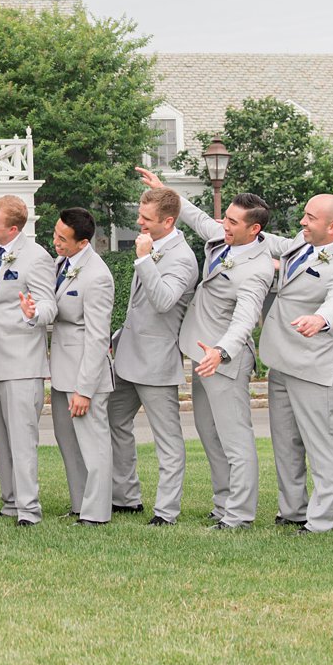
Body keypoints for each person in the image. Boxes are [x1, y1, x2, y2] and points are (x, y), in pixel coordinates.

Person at [141, 167, 273, 530]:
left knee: (235, 439)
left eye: (233, 222)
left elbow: (245, 319)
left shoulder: (257, 269)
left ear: (254, 230)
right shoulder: (223, 237)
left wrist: (222, 351)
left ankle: (239, 515)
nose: (224, 225)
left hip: (225, 360)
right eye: (226, 218)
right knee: (208, 432)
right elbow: (197, 216)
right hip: (202, 354)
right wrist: (163, 189)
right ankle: (222, 504)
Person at [253, 194, 333, 534]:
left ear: (332, 226)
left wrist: (321, 319)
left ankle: (321, 519)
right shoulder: (301, 241)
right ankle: (292, 510)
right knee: (285, 442)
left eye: (309, 217)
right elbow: (272, 241)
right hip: (281, 359)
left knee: (322, 446)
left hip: (315, 366)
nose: (302, 222)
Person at [109, 185, 199, 526]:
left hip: (158, 361)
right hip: (128, 355)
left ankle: (166, 511)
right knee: (114, 421)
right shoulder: (151, 245)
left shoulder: (183, 258)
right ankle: (126, 497)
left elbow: (163, 302)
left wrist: (145, 259)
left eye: (146, 218)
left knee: (168, 440)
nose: (139, 222)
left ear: (169, 221)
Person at [0, 194, 57, 526]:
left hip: (22, 363)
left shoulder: (37, 257)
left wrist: (33, 312)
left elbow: (49, 306)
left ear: (12, 228)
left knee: (23, 440)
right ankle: (10, 501)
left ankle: (29, 509)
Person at [46, 208, 115, 526]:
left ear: (83, 242)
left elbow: (99, 338)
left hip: (86, 377)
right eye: (56, 233)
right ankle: (79, 503)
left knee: (93, 445)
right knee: (67, 440)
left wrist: (84, 390)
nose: (56, 241)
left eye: (62, 238)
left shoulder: (97, 276)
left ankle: (97, 512)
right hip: (61, 371)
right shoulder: (62, 263)